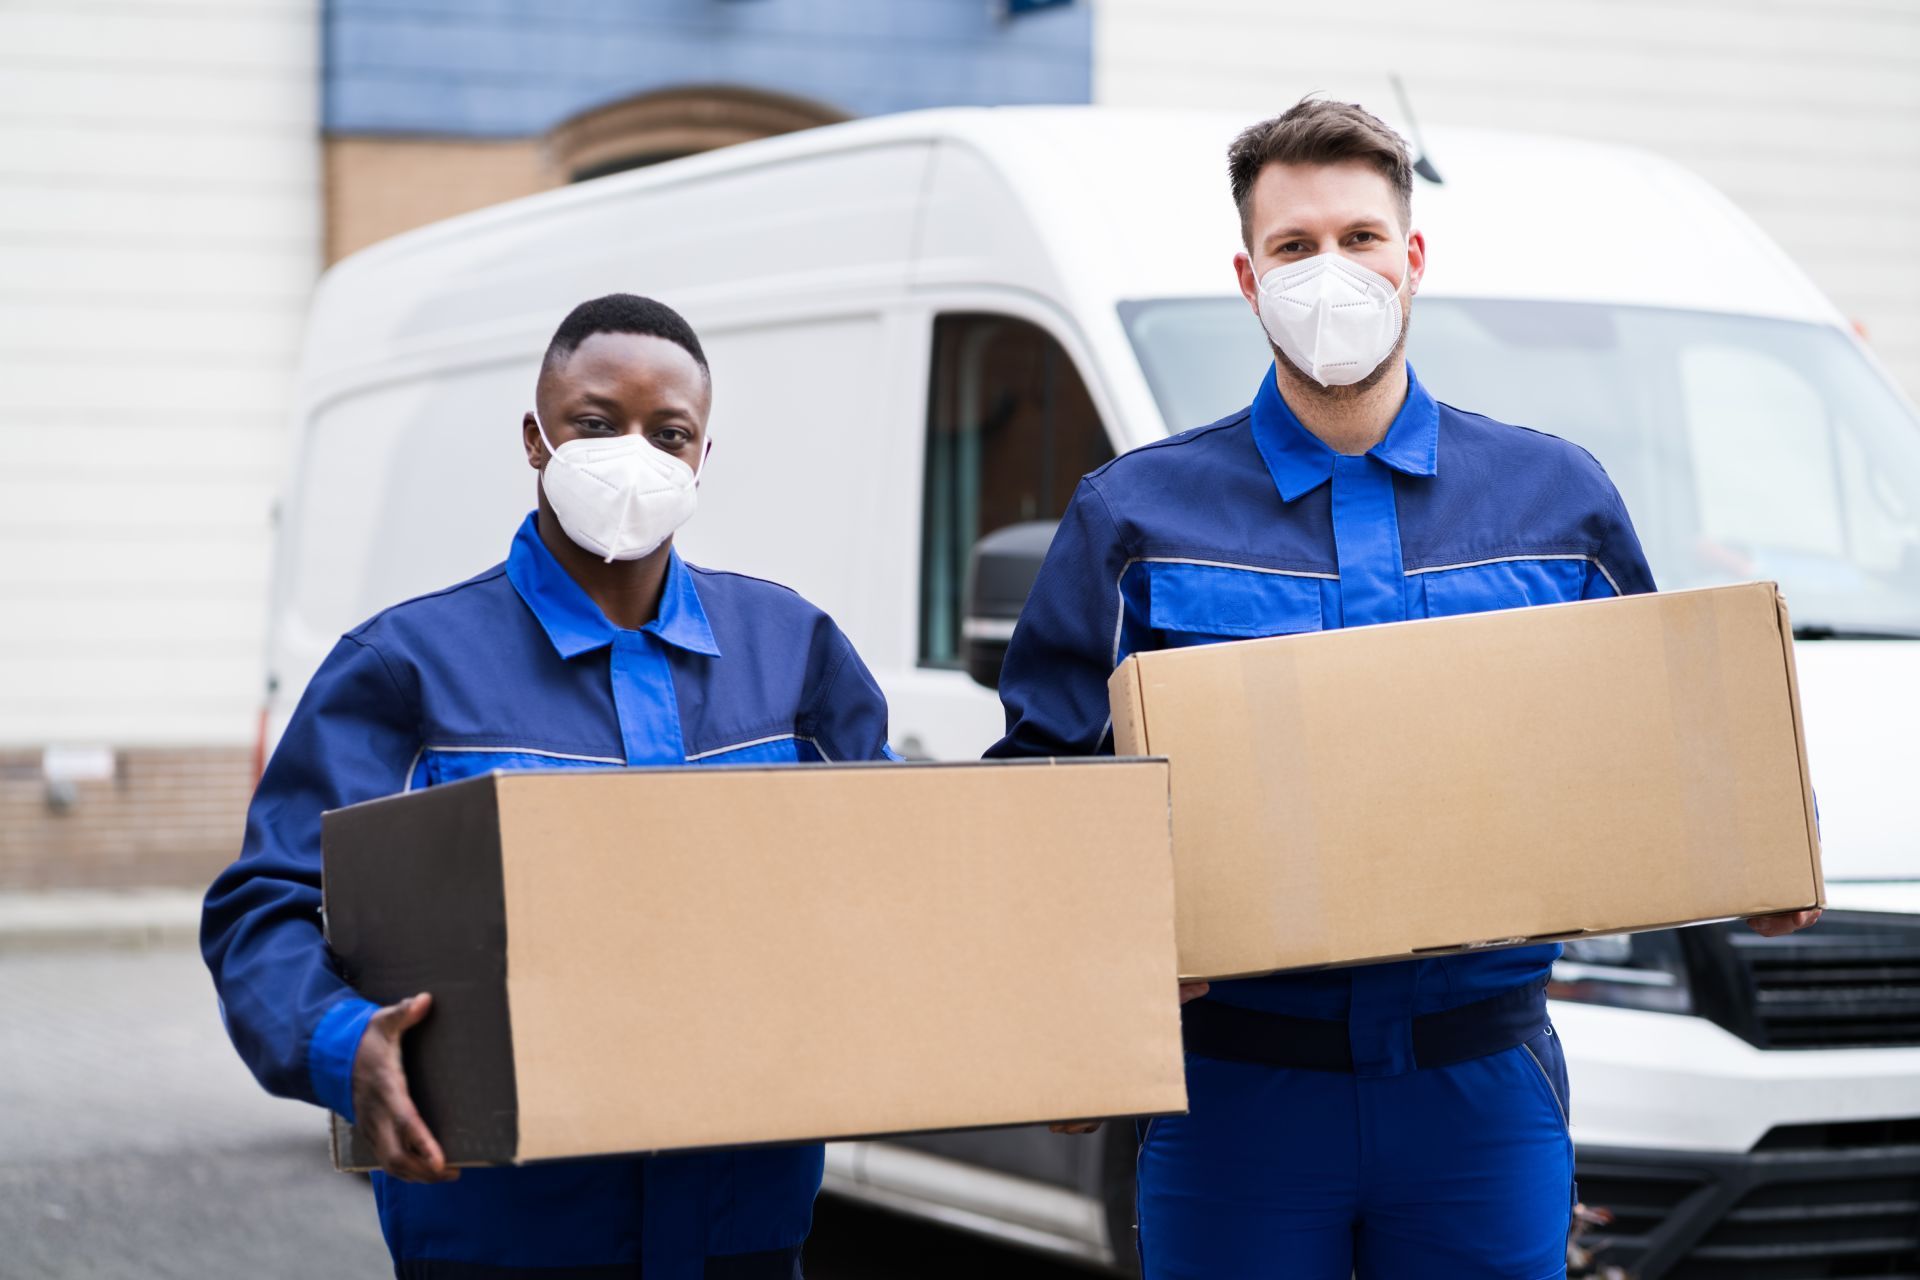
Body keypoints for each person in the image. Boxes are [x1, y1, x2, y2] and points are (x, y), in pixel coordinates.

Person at [987, 99, 1820, 1278]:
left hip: (1479, 1087)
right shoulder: (1134, 518)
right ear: (1249, 274)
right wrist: (1079, 1001)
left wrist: (1763, 852)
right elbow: (1036, 787)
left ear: (1412, 257)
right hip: (1235, 1090)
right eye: (1294, 246)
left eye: (1361, 237)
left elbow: (1668, 746)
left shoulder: (1557, 501)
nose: (1331, 271)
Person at [202, 294, 894, 1280]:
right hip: (504, 1228)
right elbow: (266, 905)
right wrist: (340, 1041)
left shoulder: (792, 655)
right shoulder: (406, 667)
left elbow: (908, 882)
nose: (633, 454)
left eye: (670, 433)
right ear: (537, 437)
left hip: (742, 1221)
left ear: (703, 458)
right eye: (597, 423)